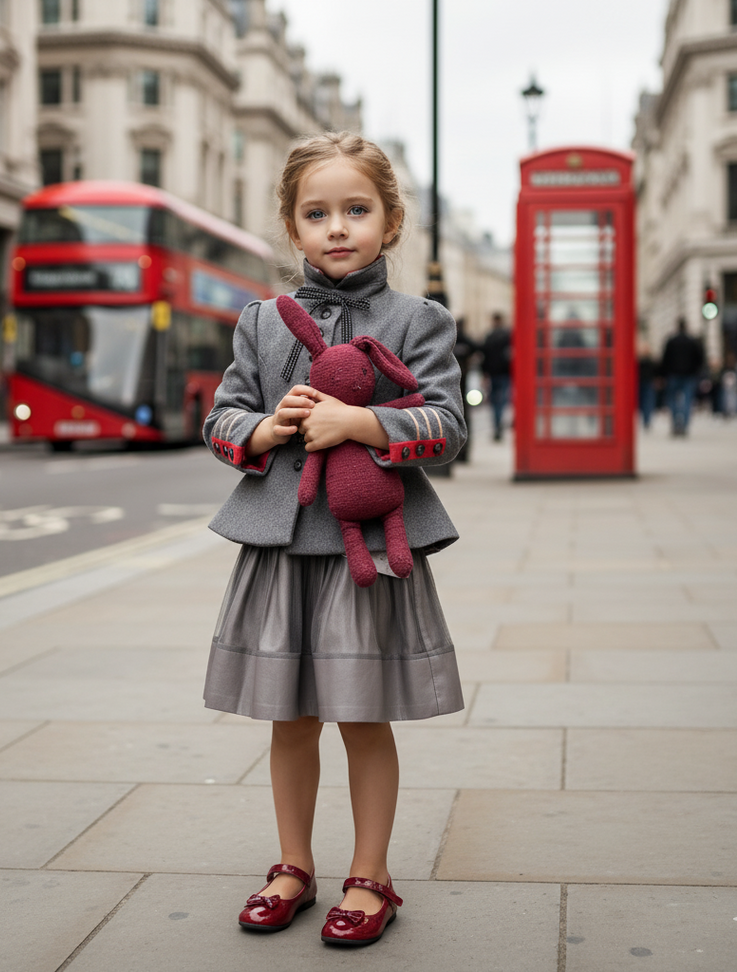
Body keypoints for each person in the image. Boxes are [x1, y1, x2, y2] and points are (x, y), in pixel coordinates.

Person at [203, 132, 466, 947]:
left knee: (362, 716)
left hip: (369, 553)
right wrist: (262, 429)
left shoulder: (417, 320)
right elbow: (220, 419)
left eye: (357, 209)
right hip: (282, 548)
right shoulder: (260, 322)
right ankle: (292, 866)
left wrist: (363, 422)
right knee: (289, 719)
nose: (338, 227)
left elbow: (448, 428)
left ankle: (370, 875)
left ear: (391, 221)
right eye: (317, 214)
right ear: (292, 228)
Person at [661, 318, 704, 436]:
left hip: (673, 374)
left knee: (672, 400)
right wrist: (696, 371)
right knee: (687, 401)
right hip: (689, 375)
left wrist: (663, 374)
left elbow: (665, 359)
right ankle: (684, 425)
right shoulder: (692, 341)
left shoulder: (671, 341)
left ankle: (676, 424)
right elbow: (699, 358)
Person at [480, 311, 512, 441]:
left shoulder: (489, 336)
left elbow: (484, 357)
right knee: (502, 401)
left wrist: (484, 374)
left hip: (493, 373)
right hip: (505, 373)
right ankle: (499, 423)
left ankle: (497, 425)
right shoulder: (508, 336)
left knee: (494, 402)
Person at [452, 316, 478, 462]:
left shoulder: (448, 340)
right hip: (462, 389)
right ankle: (463, 453)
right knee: (464, 419)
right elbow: (479, 349)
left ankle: (458, 454)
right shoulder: (467, 341)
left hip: (452, 389)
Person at [636, 341, 658, 430]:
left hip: (645, 383)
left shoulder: (639, 362)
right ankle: (646, 420)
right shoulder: (652, 361)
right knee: (647, 402)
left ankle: (646, 420)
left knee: (646, 402)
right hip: (646, 383)